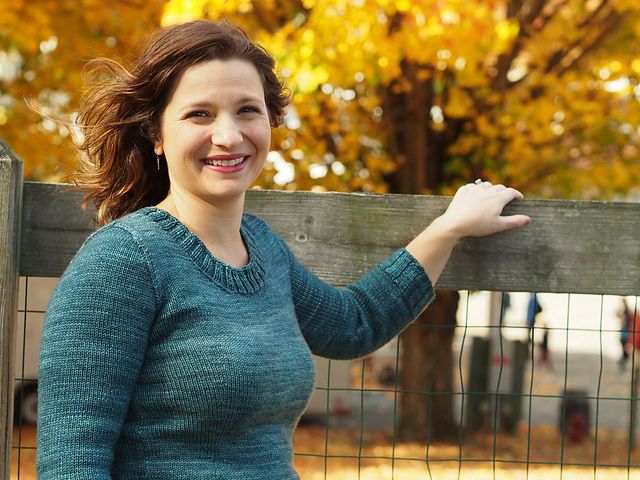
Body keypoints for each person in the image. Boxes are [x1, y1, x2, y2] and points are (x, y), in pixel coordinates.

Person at [36, 19, 531, 479]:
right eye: (199, 114)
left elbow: (352, 323)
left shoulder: (263, 248)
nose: (228, 135)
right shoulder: (122, 261)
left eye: (247, 110)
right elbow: (71, 463)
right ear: (156, 135)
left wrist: (448, 229)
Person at [617, 297, 633, 368]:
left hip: (626, 334)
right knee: (624, 348)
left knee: (625, 348)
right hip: (625, 334)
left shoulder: (626, 311)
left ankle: (624, 360)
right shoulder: (625, 310)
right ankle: (624, 360)